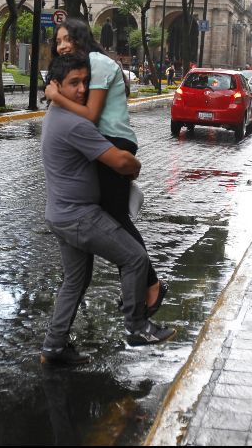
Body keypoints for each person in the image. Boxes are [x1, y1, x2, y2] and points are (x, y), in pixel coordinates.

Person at [40, 54, 176, 365]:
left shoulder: (55, 115)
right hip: (79, 217)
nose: (82, 89)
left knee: (76, 280)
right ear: (56, 86)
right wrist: (135, 164)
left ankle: (54, 346)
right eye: (73, 83)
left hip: (60, 214)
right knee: (135, 257)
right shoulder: (74, 123)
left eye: (85, 82)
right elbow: (120, 161)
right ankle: (137, 326)